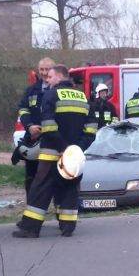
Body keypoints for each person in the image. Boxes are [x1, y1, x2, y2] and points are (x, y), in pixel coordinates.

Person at [13, 65, 97, 238]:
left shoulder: (51, 95)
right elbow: (91, 128)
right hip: (74, 157)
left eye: (50, 77)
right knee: (70, 188)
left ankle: (30, 228)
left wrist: (63, 147)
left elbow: (49, 126)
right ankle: (67, 227)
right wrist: (76, 149)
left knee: (40, 189)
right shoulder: (83, 97)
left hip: (52, 153)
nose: (47, 80)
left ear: (59, 77)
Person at [13, 58, 55, 193]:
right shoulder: (31, 90)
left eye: (47, 69)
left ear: (53, 70)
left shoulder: (58, 90)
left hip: (52, 140)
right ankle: (31, 204)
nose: (44, 72)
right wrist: (30, 126)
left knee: (52, 175)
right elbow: (23, 110)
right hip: (32, 138)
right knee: (31, 175)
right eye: (41, 69)